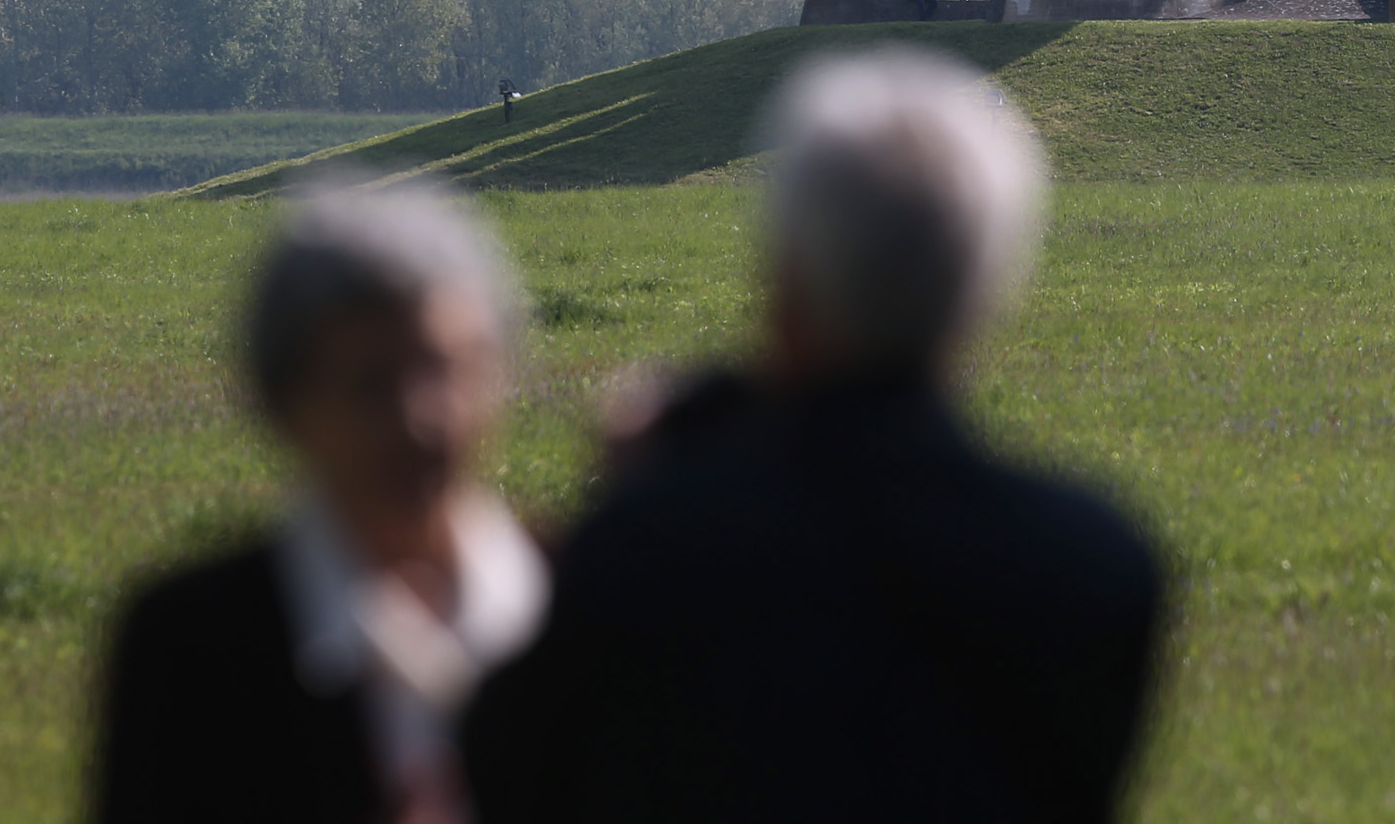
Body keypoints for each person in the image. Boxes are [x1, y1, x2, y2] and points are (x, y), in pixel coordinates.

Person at [463, 47, 1164, 823]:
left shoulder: (644, 556)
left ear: (787, 283)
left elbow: (511, 773)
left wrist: (632, 502)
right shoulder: (1096, 571)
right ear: (981, 291)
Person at [93, 184, 544, 824]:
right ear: (285, 405)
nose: (420, 419)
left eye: (444, 370)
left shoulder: (584, 604)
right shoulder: (197, 649)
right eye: (371, 385)